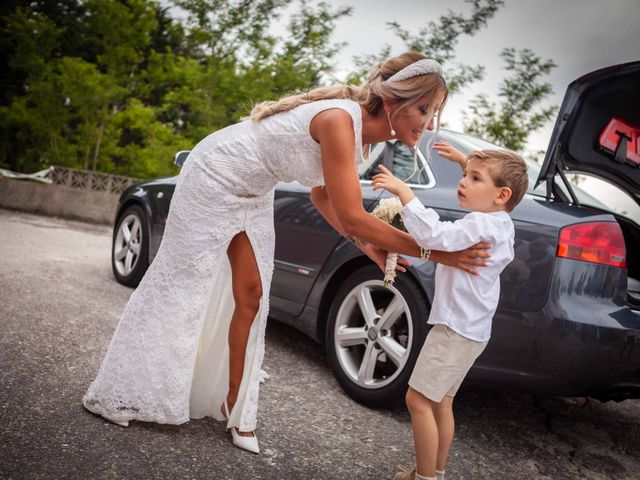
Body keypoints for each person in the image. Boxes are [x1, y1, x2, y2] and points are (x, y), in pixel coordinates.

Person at [82, 52, 490, 455]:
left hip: (255, 191)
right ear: (392, 101)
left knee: (252, 296)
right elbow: (351, 214)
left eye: (434, 112)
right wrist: (437, 253)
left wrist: (367, 245)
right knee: (182, 283)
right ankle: (124, 390)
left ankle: (233, 405)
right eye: (424, 109)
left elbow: (321, 195)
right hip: (214, 175)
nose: (430, 123)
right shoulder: (338, 120)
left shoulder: (364, 141)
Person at [371, 143, 528, 480]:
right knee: (441, 401)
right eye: (466, 176)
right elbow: (486, 193)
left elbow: (435, 235)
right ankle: (435, 472)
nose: (463, 182)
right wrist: (466, 163)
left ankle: (425, 477)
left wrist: (405, 194)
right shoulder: (500, 223)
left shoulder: (479, 225)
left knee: (417, 401)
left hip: (454, 329)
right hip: (473, 331)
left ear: (501, 194)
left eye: (474, 178)